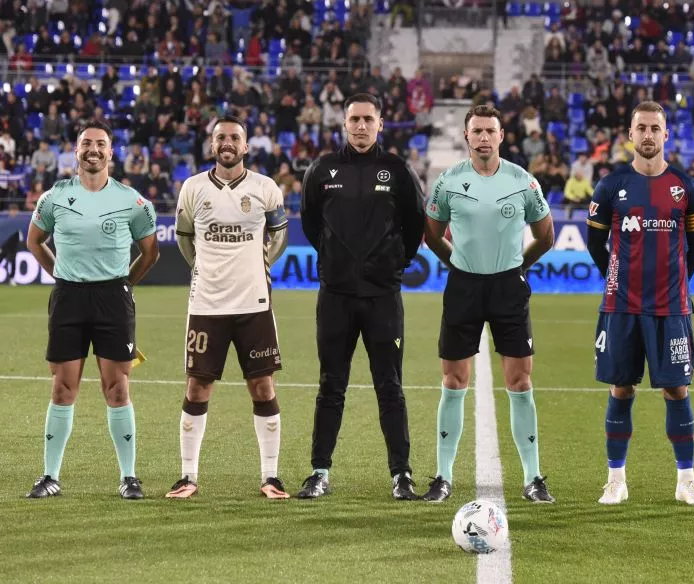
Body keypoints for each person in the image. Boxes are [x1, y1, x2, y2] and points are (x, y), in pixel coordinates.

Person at [421, 104, 556, 503]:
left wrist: (518, 268)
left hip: (508, 289)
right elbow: (432, 234)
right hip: (463, 286)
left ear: (501, 136)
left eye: (490, 131)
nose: (483, 137)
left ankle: (533, 477)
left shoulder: (523, 182)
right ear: (467, 136)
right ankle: (443, 476)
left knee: (520, 381)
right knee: (454, 380)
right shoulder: (448, 182)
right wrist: (456, 264)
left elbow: (545, 236)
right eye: (476, 130)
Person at [299, 93, 425, 500]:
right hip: (335, 295)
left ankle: (401, 475)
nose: (361, 126)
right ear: (344, 123)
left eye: (368, 119)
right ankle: (319, 472)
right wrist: (337, 262)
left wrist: (389, 267)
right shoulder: (322, 169)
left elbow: (414, 226)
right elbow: (311, 223)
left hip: (382, 297)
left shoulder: (397, 170)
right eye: (354, 119)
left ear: (381, 123)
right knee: (330, 385)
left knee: (390, 385)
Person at [25, 120, 160, 499]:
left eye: (101, 144)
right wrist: (60, 274)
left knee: (117, 388)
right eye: (87, 144)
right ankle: (50, 476)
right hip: (68, 298)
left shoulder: (132, 200)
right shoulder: (53, 197)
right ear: (76, 150)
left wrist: (125, 284)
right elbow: (35, 242)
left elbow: (151, 251)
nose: (93, 150)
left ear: (111, 152)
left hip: (112, 299)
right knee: (63, 387)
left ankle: (129, 477)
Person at [586, 101, 694, 506]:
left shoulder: (686, 187)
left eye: (655, 128)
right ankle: (616, 479)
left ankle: (686, 480)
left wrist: (675, 281)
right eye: (641, 127)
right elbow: (595, 241)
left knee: (677, 389)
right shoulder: (610, 185)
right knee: (622, 388)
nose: (648, 135)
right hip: (621, 307)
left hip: (671, 308)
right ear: (630, 134)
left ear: (666, 134)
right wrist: (616, 276)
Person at [168, 116, 291, 500]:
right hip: (206, 303)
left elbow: (279, 234)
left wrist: (260, 265)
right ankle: (188, 477)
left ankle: (270, 477)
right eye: (220, 137)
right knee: (198, 385)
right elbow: (185, 240)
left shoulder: (265, 188)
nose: (227, 143)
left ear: (246, 145)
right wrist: (206, 270)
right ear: (211, 145)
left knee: (262, 385)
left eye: (235, 137)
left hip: (254, 302)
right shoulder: (192, 189)